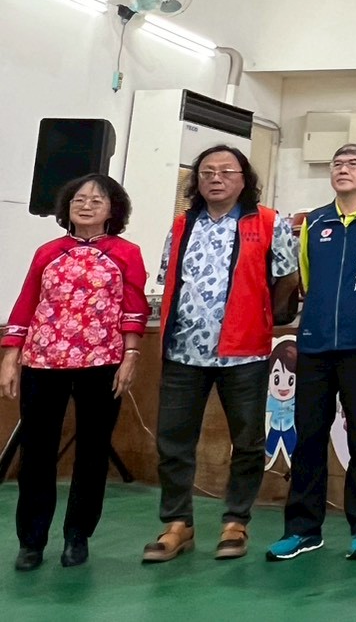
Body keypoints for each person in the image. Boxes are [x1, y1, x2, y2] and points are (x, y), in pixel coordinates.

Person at [144, 146, 299, 563]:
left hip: (244, 352)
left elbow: (287, 279)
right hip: (183, 350)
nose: (216, 178)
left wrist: (262, 316)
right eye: (207, 171)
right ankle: (177, 523)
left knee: (247, 441)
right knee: (173, 441)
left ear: (244, 179)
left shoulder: (268, 221)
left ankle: (236, 521)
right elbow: (169, 277)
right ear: (196, 181)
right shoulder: (182, 224)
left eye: (227, 171)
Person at [267, 144, 356, 562]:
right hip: (314, 345)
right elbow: (307, 279)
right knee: (308, 436)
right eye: (337, 164)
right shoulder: (314, 222)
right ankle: (302, 529)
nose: (343, 170)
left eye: (353, 164)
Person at [2, 175, 147, 571]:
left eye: (97, 200)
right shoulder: (48, 252)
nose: (86, 205)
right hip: (43, 360)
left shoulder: (126, 253)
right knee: (37, 452)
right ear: (66, 207)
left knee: (93, 452)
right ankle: (31, 541)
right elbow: (27, 301)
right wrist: (11, 355)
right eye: (79, 199)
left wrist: (131, 355)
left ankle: (77, 535)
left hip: (102, 361)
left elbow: (134, 307)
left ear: (113, 209)